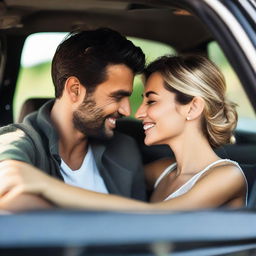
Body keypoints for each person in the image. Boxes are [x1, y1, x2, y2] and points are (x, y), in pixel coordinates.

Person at [0, 54, 248, 211]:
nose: (137, 113)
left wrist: (44, 185)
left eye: (150, 101)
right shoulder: (161, 171)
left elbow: (156, 220)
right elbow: (99, 185)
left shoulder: (227, 176)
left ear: (192, 107)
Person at [0, 28, 147, 211]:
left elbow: (140, 223)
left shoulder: (124, 149)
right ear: (75, 89)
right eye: (117, 97)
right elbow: (6, 193)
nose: (127, 110)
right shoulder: (18, 141)